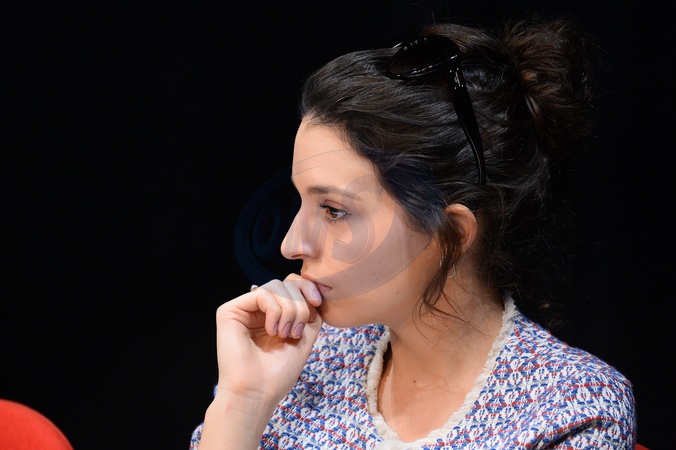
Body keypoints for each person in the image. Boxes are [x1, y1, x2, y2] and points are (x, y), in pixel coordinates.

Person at [190, 17, 637, 449]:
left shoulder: (570, 411)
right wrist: (242, 402)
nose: (291, 245)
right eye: (301, 201)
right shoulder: (296, 361)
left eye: (334, 211)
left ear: (452, 234)